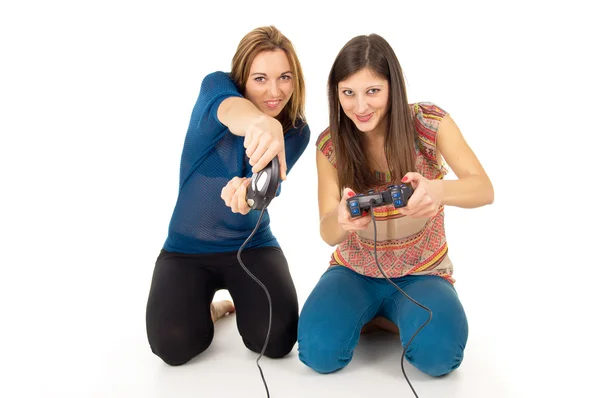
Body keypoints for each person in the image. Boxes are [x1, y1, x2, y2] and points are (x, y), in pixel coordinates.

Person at [297, 33, 494, 377]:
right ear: (336, 93)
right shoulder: (331, 145)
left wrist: (437, 190)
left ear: (393, 87)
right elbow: (327, 233)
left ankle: (383, 317)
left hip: (423, 274)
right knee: (317, 354)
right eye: (348, 93)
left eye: (372, 91)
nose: (360, 106)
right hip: (353, 273)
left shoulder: (429, 123)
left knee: (439, 359)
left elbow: (483, 189)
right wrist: (342, 220)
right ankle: (380, 314)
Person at [146, 26, 310, 366]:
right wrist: (262, 124)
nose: (275, 91)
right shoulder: (216, 88)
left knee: (276, 340)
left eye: (285, 77)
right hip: (185, 252)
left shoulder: (295, 130)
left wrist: (247, 195)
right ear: (241, 79)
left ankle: (235, 301)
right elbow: (233, 112)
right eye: (260, 79)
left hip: (251, 246)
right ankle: (214, 308)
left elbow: (262, 187)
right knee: (173, 346)